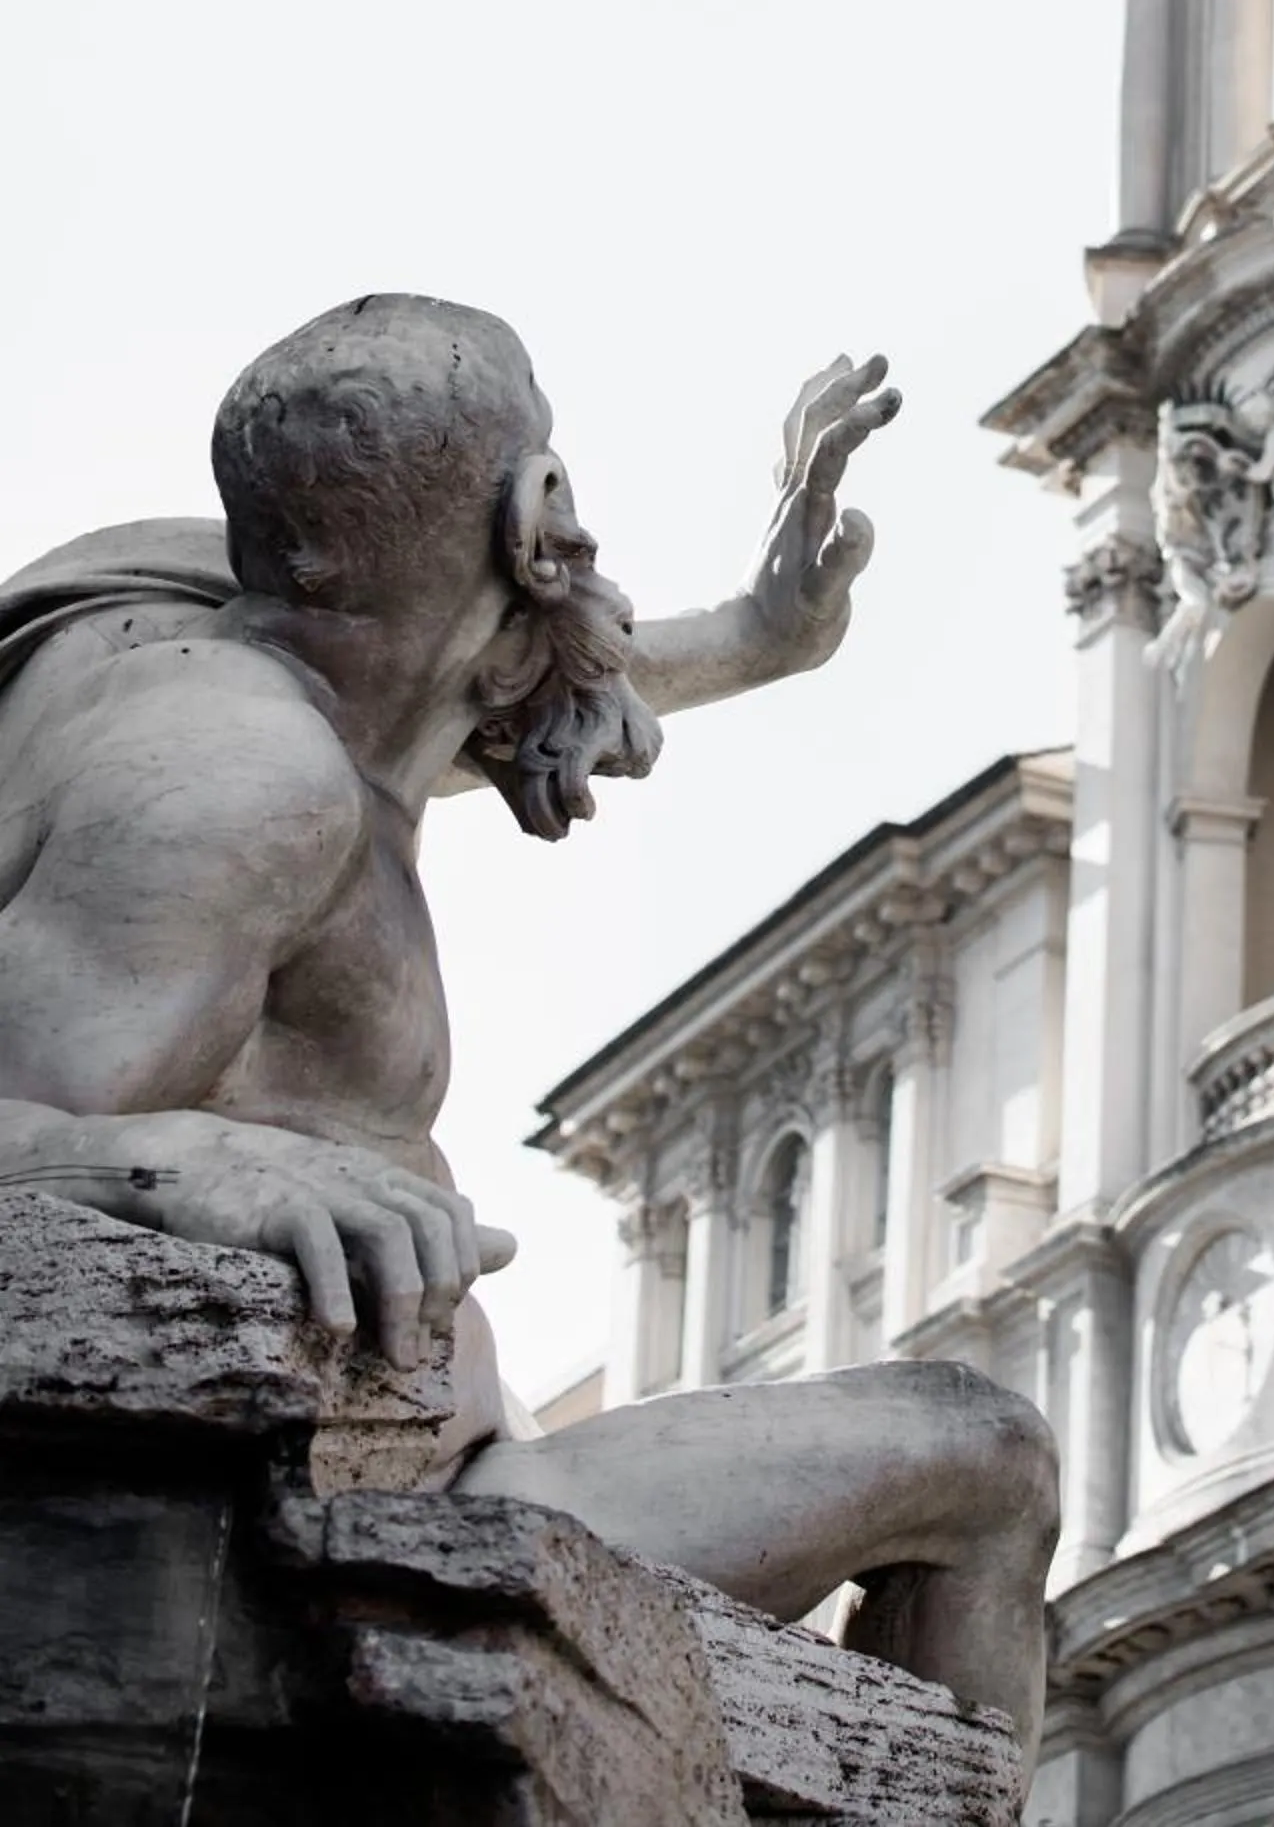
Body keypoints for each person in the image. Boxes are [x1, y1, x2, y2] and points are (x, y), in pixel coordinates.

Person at [0, 294, 1058, 1776]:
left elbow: (475, 673)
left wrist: (760, 636)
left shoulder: (228, 611)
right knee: (984, 1456)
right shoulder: (241, 787)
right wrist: (174, 1162)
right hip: (415, 1507)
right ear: (536, 506)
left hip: (429, 1450)